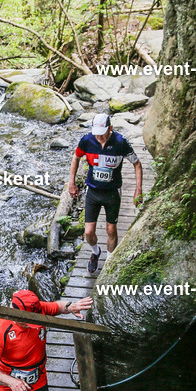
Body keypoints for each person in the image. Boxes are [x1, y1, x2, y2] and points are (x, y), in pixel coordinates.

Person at [0, 288, 92, 391]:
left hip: (38, 379)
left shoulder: (37, 309)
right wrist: (12, 382)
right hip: (9, 385)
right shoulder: (1, 330)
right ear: (15, 314)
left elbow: (57, 307)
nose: (31, 324)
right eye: (27, 321)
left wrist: (70, 306)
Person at [68, 112, 143, 274]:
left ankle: (109, 261)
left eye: (102, 134)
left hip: (112, 193)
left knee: (111, 230)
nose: (99, 138)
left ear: (110, 129)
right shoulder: (87, 140)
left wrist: (138, 189)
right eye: (97, 134)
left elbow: (137, 164)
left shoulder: (120, 142)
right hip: (93, 192)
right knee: (88, 231)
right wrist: (71, 182)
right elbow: (75, 158)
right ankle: (96, 253)